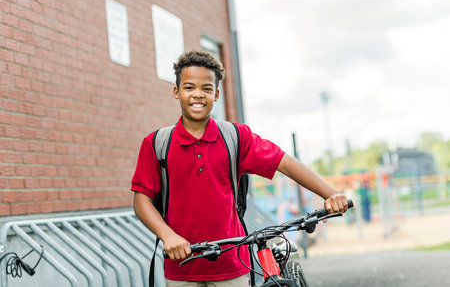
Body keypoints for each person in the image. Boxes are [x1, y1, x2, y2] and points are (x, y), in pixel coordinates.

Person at [131, 50, 348, 286]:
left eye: (206, 88)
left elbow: (284, 163)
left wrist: (331, 193)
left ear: (216, 94)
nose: (197, 95)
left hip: (232, 267)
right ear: (176, 91)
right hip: (181, 269)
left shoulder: (235, 137)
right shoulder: (156, 144)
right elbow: (142, 201)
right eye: (189, 87)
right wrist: (168, 235)